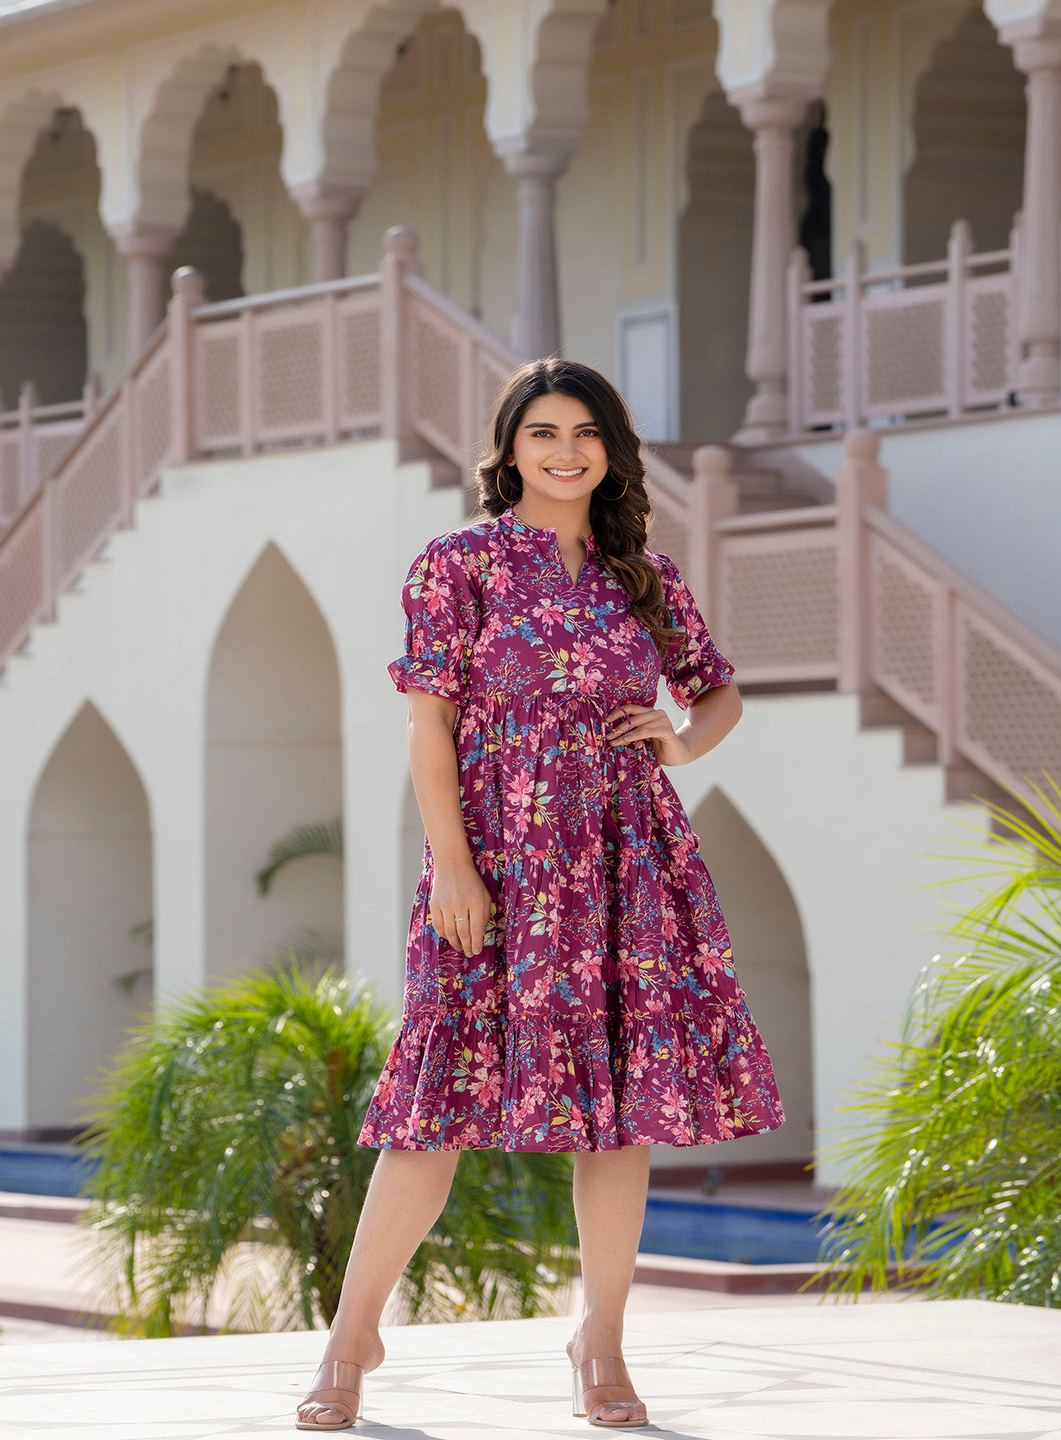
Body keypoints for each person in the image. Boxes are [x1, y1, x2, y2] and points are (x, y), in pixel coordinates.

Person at [295, 357, 784, 1431]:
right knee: (433, 1110)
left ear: (610, 451)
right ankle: (347, 1343)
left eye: (587, 434)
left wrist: (684, 739)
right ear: (510, 448)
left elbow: (717, 691)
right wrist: (456, 865)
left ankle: (599, 1344)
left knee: (617, 1114)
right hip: (497, 864)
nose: (567, 451)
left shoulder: (639, 574)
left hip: (624, 862)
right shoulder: (457, 566)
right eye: (545, 432)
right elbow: (431, 726)